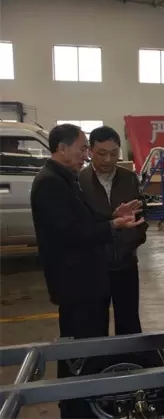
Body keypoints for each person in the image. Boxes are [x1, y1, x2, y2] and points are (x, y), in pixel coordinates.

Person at [30, 123, 144, 418]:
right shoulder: (50, 183)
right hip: (75, 283)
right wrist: (112, 225)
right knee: (77, 349)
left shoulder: (64, 178)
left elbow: (83, 219)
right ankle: (74, 407)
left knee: (90, 344)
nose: (86, 155)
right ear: (62, 148)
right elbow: (72, 233)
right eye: (83, 149)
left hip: (88, 280)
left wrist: (113, 217)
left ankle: (87, 401)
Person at [79, 126, 148, 335]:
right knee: (95, 323)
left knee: (129, 321)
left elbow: (141, 214)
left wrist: (134, 239)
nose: (108, 159)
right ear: (90, 151)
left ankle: (130, 356)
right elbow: (80, 224)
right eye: (101, 153)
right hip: (94, 266)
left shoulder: (129, 178)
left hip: (126, 263)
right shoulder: (79, 181)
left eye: (113, 153)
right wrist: (112, 220)